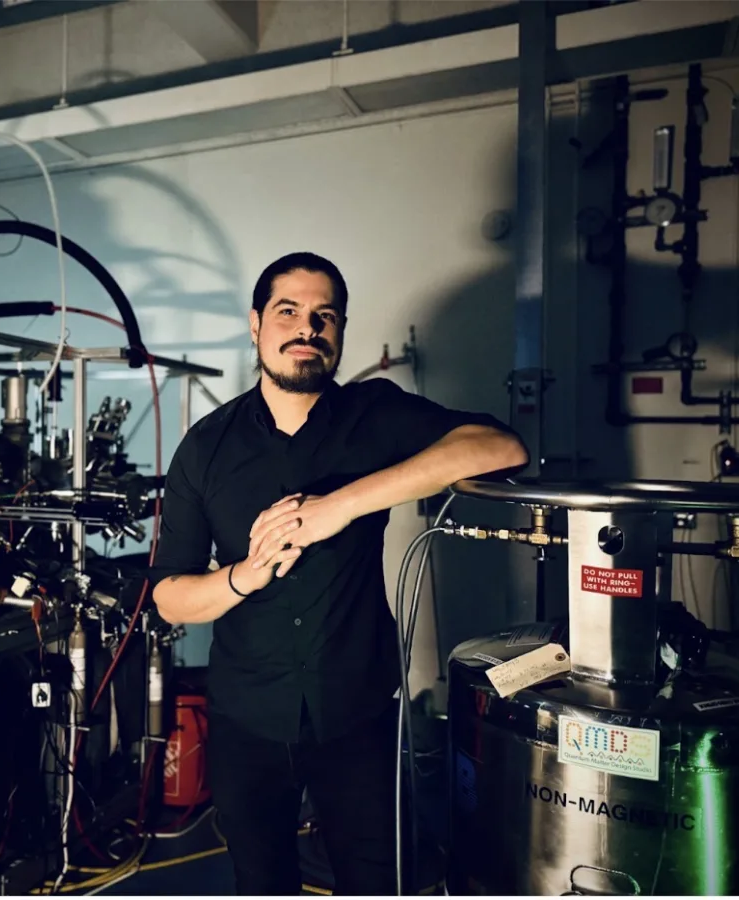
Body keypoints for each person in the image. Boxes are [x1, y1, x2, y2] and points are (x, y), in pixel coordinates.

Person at [149, 252, 528, 896]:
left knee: (376, 880)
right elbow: (169, 598)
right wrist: (246, 573)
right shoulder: (206, 446)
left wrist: (340, 506)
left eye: (325, 316)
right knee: (262, 881)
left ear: (341, 330)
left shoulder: (372, 414)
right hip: (249, 716)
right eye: (288, 312)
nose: (308, 328)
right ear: (255, 324)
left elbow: (501, 448)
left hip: (355, 710)